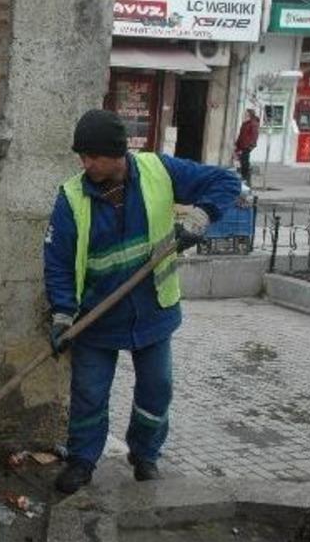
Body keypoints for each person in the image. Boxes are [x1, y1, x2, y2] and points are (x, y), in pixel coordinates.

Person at [44, 109, 240, 495]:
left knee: (157, 388)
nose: (85, 164)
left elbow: (226, 181)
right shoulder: (71, 198)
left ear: (117, 153)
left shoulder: (159, 171)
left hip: (153, 313)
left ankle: (145, 455)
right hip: (96, 319)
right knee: (89, 394)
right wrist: (63, 315)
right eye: (81, 156)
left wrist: (202, 215)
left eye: (92, 156)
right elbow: (58, 263)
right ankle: (82, 460)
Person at [234, 108, 260, 185]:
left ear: (249, 114)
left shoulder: (253, 123)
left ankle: (246, 179)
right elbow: (241, 135)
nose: (244, 114)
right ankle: (244, 178)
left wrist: (251, 146)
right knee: (242, 162)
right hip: (242, 145)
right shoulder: (245, 123)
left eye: (246, 113)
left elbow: (255, 135)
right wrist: (237, 145)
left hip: (247, 146)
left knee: (245, 162)